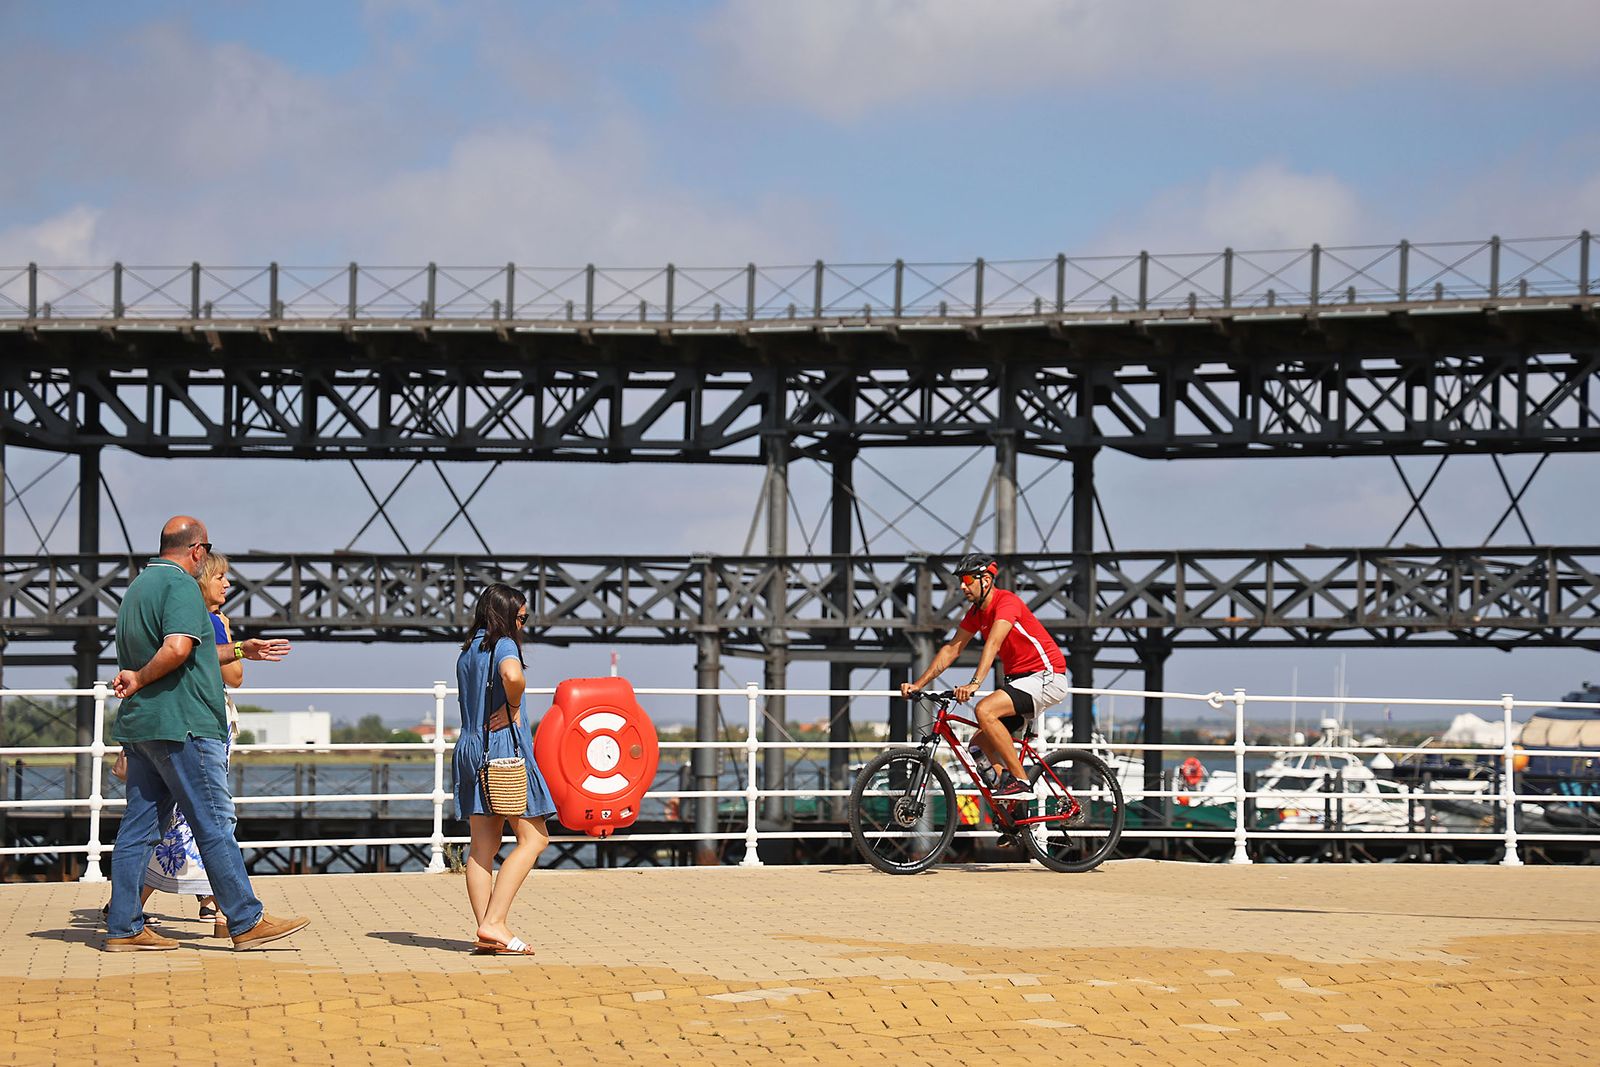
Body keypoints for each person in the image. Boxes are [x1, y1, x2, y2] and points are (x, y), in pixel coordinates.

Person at [103, 516, 309, 951]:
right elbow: (178, 649)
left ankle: (124, 927)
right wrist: (140, 677)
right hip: (186, 725)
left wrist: (240, 648)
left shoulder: (137, 588)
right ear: (198, 551)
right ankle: (245, 919)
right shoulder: (180, 586)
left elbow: (192, 651)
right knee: (214, 821)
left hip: (143, 727)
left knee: (139, 829)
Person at [136, 551, 278, 936]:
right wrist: (231, 638)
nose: (227, 585)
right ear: (202, 582)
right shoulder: (211, 622)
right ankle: (220, 912)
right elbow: (235, 677)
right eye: (220, 578)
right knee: (202, 818)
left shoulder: (175, 617)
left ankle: (212, 907)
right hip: (201, 725)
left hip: (175, 724)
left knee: (178, 818)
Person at [901, 552, 1070, 800]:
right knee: (979, 745)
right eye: (961, 580)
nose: (962, 586)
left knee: (984, 710)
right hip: (1021, 682)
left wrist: (974, 684)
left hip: (1046, 676)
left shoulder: (1006, 602)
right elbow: (951, 649)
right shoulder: (976, 613)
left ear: (986, 580)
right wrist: (918, 684)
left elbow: (992, 643)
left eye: (968, 579)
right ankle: (1011, 815)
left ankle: (1021, 781)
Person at [452, 583, 555, 955]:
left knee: (482, 846)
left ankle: (486, 932)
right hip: (503, 751)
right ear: (507, 615)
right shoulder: (503, 645)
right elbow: (512, 676)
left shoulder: (467, 652)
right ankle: (495, 922)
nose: (523, 625)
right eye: (521, 617)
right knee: (535, 839)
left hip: (469, 750)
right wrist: (513, 709)